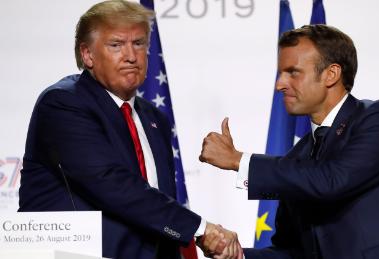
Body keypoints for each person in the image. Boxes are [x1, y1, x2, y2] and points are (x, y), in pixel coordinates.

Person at [19, 1, 242, 258]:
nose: (131, 55)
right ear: (88, 54)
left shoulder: (154, 118)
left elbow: (159, 204)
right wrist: (200, 229)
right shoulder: (64, 104)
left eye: (138, 43)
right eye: (116, 45)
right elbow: (112, 184)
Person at [199, 24, 379, 258]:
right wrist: (235, 255)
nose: (280, 84)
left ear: (331, 74)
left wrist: (239, 161)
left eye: (293, 72)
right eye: (280, 73)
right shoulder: (296, 158)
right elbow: (292, 252)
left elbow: (332, 181)